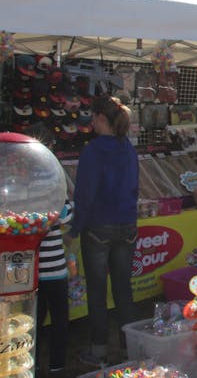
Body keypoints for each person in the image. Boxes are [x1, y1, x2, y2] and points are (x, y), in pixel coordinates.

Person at [71, 95, 139, 367]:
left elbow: (84, 194)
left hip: (98, 226)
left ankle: (98, 351)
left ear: (101, 118)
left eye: (93, 118)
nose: (91, 123)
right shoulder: (128, 148)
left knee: (97, 292)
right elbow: (135, 187)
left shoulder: (94, 150)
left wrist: (75, 228)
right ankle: (129, 349)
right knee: (124, 290)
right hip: (127, 225)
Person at [37, 199, 73, 377]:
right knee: (59, 321)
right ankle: (57, 367)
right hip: (55, 271)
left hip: (32, 271)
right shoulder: (55, 196)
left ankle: (31, 364)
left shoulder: (22, 196)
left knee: (34, 321)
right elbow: (68, 217)